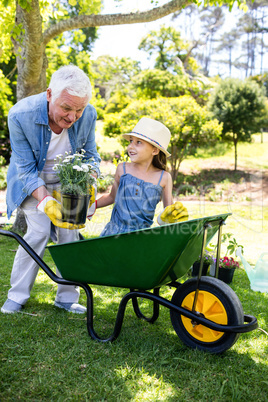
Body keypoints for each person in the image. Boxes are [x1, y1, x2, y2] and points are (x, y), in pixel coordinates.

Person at [1, 65, 101, 315]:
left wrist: (88, 188)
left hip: (69, 181)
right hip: (31, 181)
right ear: (49, 95)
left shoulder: (88, 115)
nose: (72, 117)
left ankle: (66, 298)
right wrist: (45, 201)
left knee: (69, 235)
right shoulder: (20, 115)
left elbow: (91, 156)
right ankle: (17, 295)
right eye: (66, 108)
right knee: (39, 231)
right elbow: (24, 169)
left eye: (78, 109)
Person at [96, 117, 188, 236]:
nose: (130, 147)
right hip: (113, 235)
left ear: (155, 150)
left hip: (141, 239)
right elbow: (112, 196)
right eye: (131, 141)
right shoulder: (123, 168)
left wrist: (175, 217)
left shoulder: (164, 178)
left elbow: (168, 213)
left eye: (138, 142)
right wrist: (89, 206)